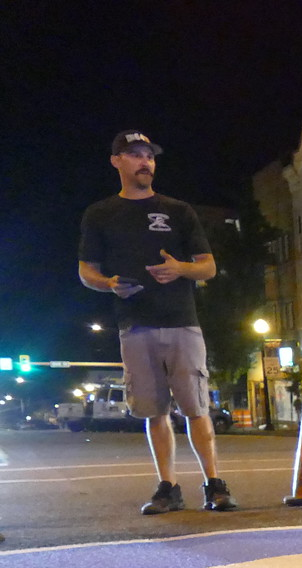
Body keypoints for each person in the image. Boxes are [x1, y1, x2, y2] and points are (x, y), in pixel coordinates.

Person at [78, 131, 236, 515]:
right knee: (154, 411)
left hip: (182, 322)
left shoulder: (178, 210)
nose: (145, 161)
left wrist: (180, 268)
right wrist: (109, 284)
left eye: (149, 155)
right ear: (116, 161)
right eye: (135, 154)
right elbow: (86, 271)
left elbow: (208, 267)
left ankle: (214, 484)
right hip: (135, 325)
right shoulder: (99, 213)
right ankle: (168, 487)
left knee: (197, 407)